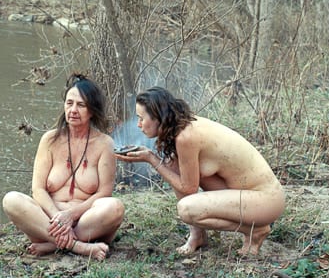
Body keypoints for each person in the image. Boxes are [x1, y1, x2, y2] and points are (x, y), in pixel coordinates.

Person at [116, 87, 284, 256]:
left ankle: (255, 230)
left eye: (141, 118)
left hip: (265, 200)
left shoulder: (186, 137)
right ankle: (198, 236)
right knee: (172, 162)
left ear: (158, 116)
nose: (138, 125)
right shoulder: (183, 127)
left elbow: (187, 188)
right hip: (248, 195)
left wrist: (150, 158)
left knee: (187, 210)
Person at [3, 74, 125, 261]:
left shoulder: (104, 143)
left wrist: (71, 215)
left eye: (81, 105)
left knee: (115, 207)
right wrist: (58, 218)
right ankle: (77, 246)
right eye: (69, 103)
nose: (73, 110)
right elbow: (38, 189)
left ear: (92, 110)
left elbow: (104, 192)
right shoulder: (50, 140)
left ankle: (53, 244)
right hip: (48, 222)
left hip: (87, 222)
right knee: (11, 199)